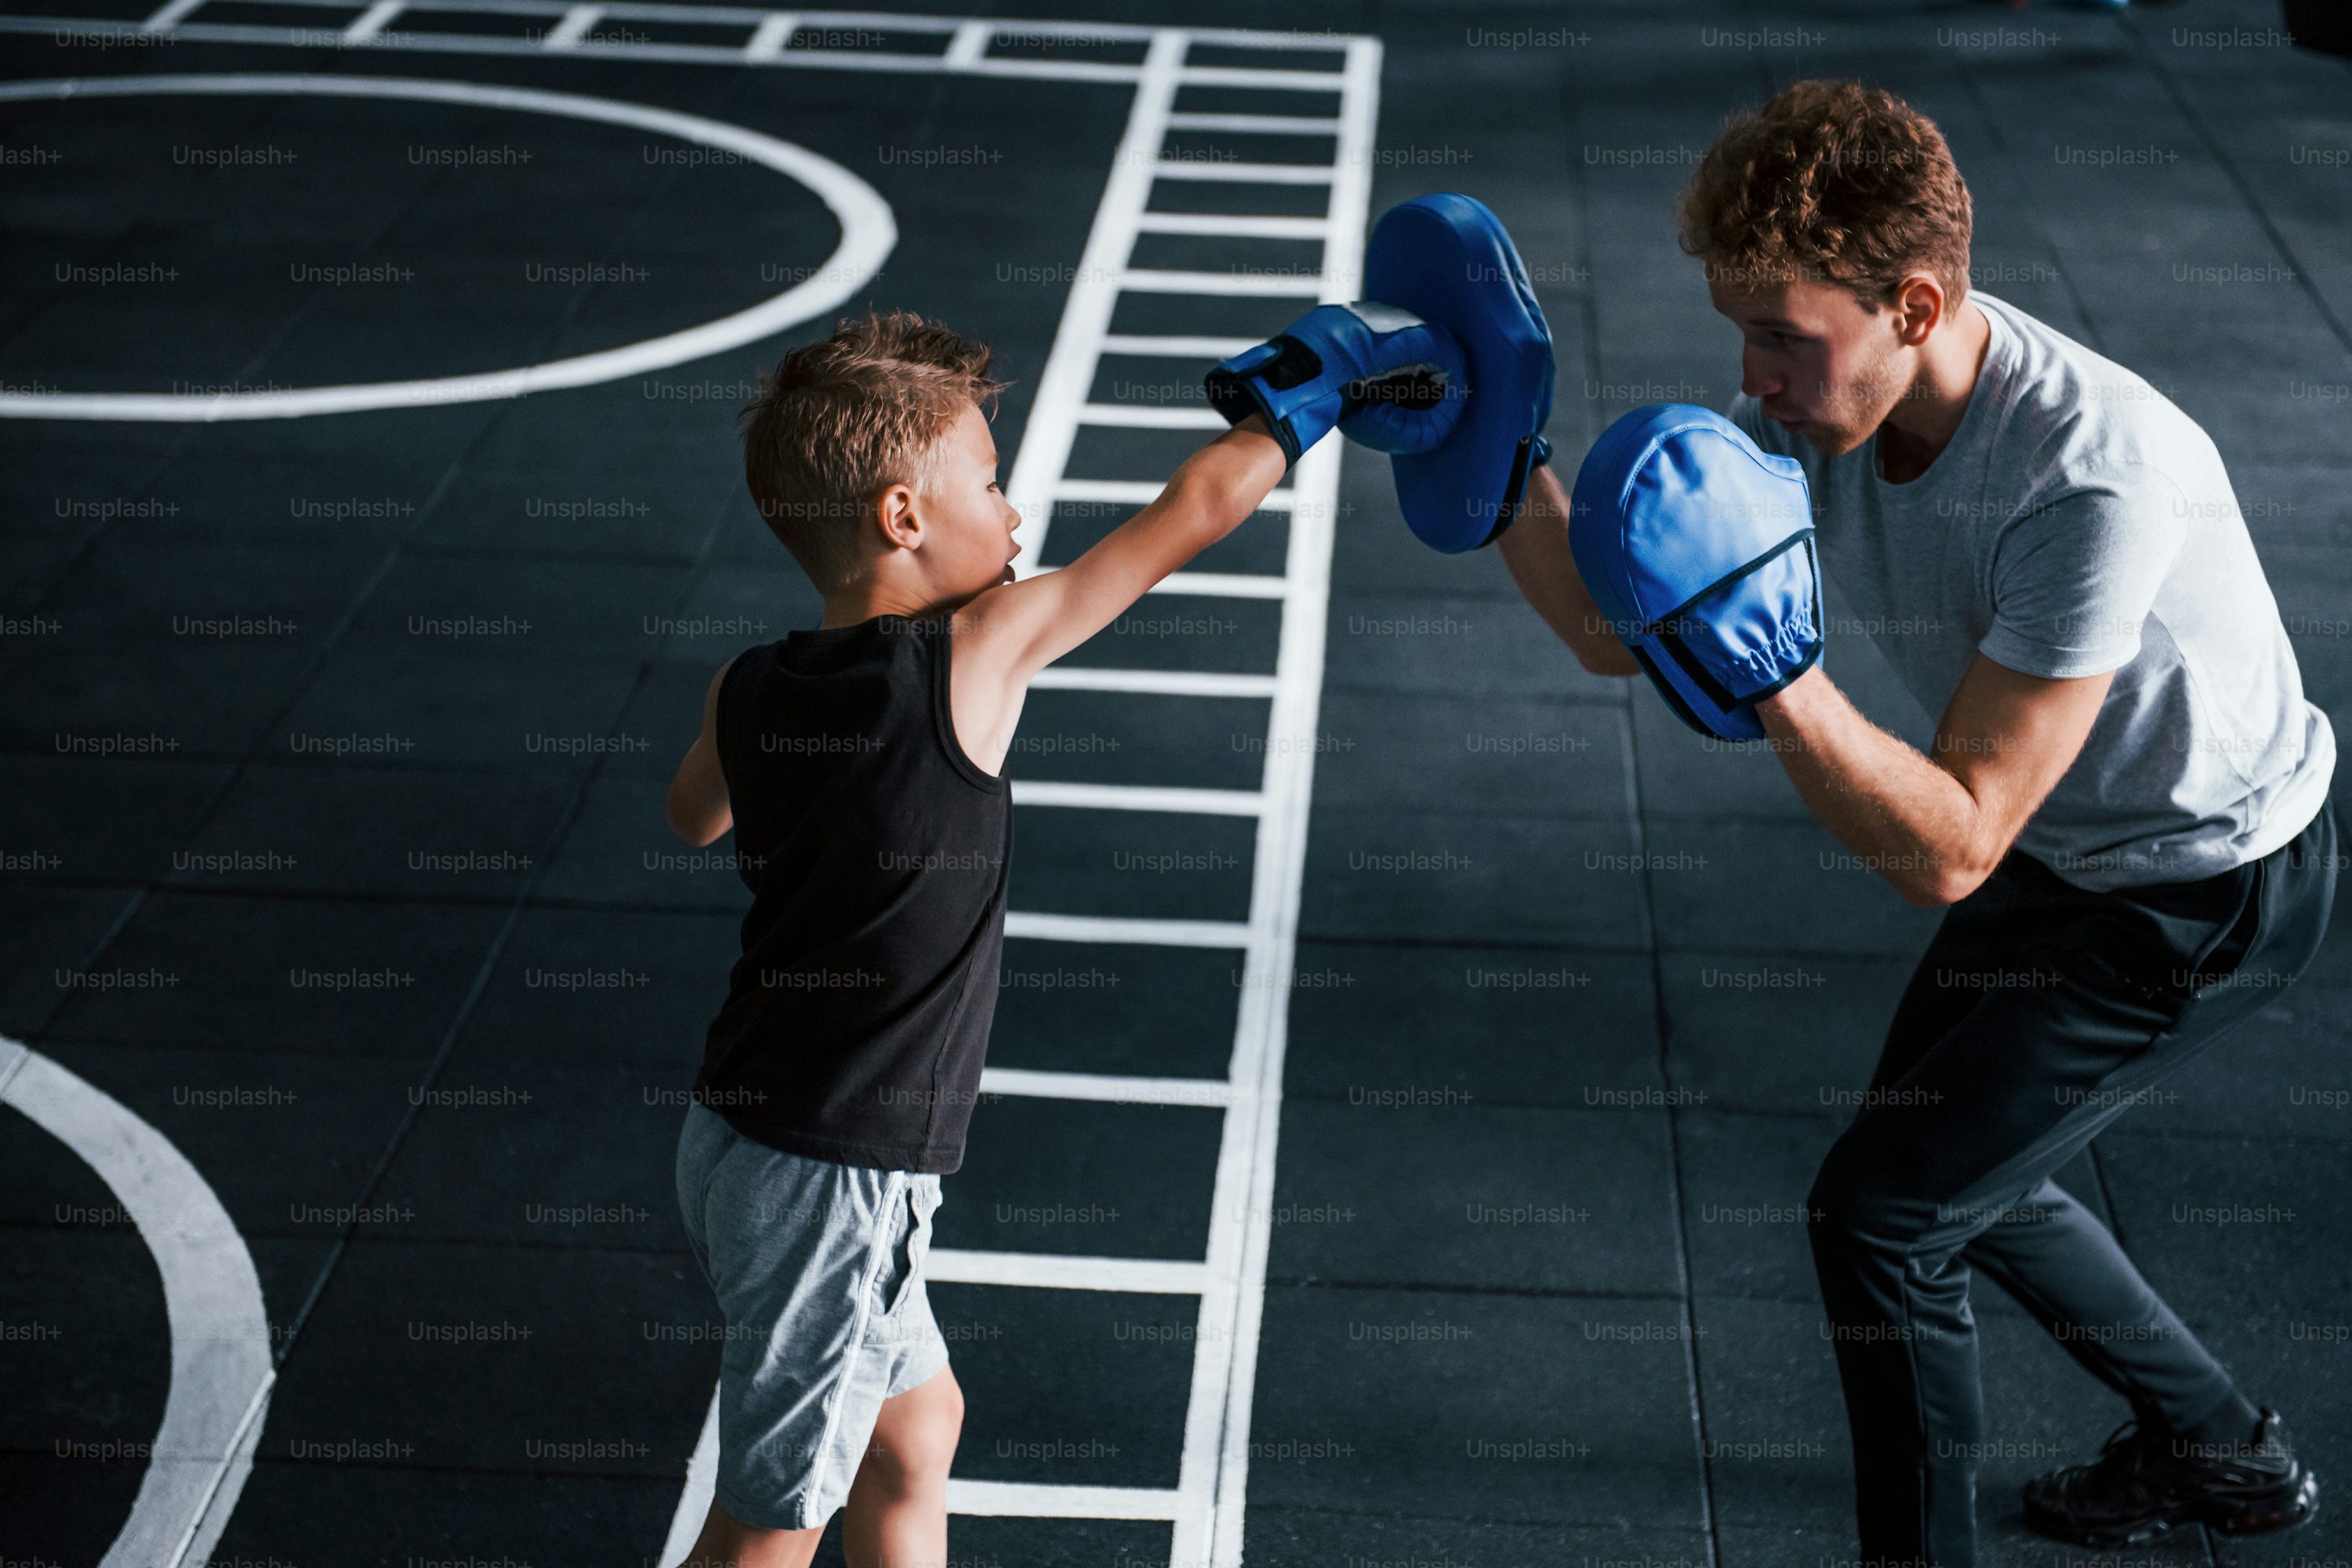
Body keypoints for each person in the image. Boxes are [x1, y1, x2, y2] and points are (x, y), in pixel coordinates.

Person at [1496, 80, 2335, 1563]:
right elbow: (1621, 634)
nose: (1751, 376)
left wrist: (1778, 668)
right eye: (1740, 330)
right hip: (2057, 837)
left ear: (1917, 305)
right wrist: (1500, 460)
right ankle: (2222, 1449)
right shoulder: (1824, 406)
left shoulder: (2087, 478)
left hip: (2201, 886)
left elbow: (1950, 849)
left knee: (1884, 1219)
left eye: (1782, 336)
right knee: (1953, 1176)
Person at [659, 304, 1445, 1567]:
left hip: (735, 1134)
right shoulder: (974, 653)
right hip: (837, 1169)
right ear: (903, 518)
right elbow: (1191, 514)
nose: (1016, 511)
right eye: (989, 482)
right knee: (768, 1530)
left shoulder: (746, 684)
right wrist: (1314, 400)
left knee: (915, 1434)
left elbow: (694, 815)